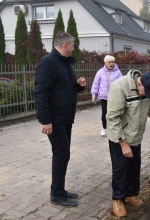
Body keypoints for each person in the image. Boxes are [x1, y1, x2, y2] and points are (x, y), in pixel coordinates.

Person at [106, 70, 150, 217]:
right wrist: (123, 143)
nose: (148, 96)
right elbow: (113, 119)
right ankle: (117, 198)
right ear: (139, 83)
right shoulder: (120, 87)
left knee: (134, 165)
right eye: (146, 92)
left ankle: (130, 194)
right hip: (119, 137)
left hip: (136, 136)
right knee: (121, 167)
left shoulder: (148, 88)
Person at [34, 32, 86, 207]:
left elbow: (63, 89)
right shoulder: (48, 62)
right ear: (65, 44)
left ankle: (59, 189)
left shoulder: (64, 63)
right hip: (55, 119)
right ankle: (56, 194)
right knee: (61, 154)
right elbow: (41, 92)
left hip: (65, 118)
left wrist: (78, 86)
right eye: (73, 44)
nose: (74, 47)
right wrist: (45, 120)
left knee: (63, 155)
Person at [91, 55, 122, 136]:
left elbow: (122, 83)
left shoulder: (118, 72)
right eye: (109, 62)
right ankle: (104, 128)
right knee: (105, 113)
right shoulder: (100, 72)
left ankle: (114, 128)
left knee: (115, 113)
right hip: (104, 97)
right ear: (105, 63)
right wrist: (94, 95)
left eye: (112, 62)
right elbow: (95, 84)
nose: (111, 64)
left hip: (115, 97)